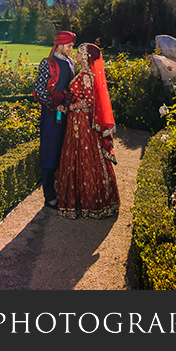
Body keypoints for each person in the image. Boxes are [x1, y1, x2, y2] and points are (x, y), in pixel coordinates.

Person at [54, 42, 120, 219]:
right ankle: (90, 201)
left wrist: (69, 107)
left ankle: (88, 202)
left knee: (84, 156)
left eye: (79, 53)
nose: (76, 55)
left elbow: (89, 102)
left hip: (81, 121)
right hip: (79, 120)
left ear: (86, 57)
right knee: (84, 156)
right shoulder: (85, 74)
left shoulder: (85, 75)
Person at [33, 30, 77, 209]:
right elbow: (38, 89)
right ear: (59, 44)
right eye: (69, 46)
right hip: (52, 115)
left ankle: (60, 189)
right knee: (50, 153)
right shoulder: (48, 63)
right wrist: (55, 103)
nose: (71, 49)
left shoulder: (70, 61)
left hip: (67, 113)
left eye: (72, 46)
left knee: (63, 152)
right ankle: (49, 195)